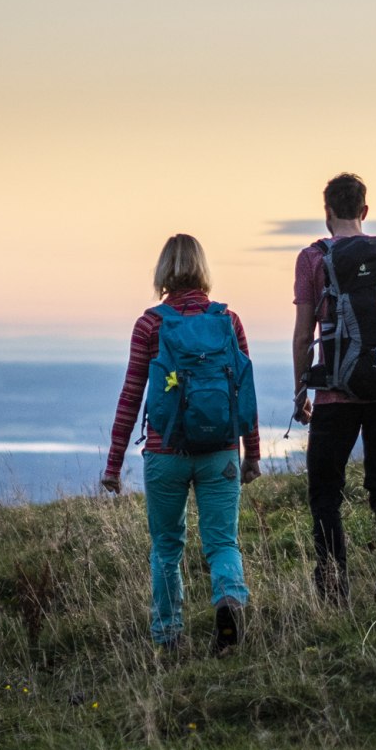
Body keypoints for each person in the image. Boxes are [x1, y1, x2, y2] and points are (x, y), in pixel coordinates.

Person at [102, 234, 261, 655]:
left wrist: (113, 466)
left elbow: (131, 394)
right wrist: (254, 454)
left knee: (167, 548)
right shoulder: (228, 321)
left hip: (165, 454)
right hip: (221, 452)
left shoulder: (150, 324)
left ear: (162, 273)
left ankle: (168, 637)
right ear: (203, 270)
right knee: (222, 543)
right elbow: (245, 389)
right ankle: (229, 600)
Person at [292, 173, 376, 602]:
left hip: (335, 394)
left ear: (327, 212)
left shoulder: (313, 258)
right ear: (365, 212)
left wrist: (302, 391)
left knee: (326, 492)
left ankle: (333, 588)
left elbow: (302, 334)